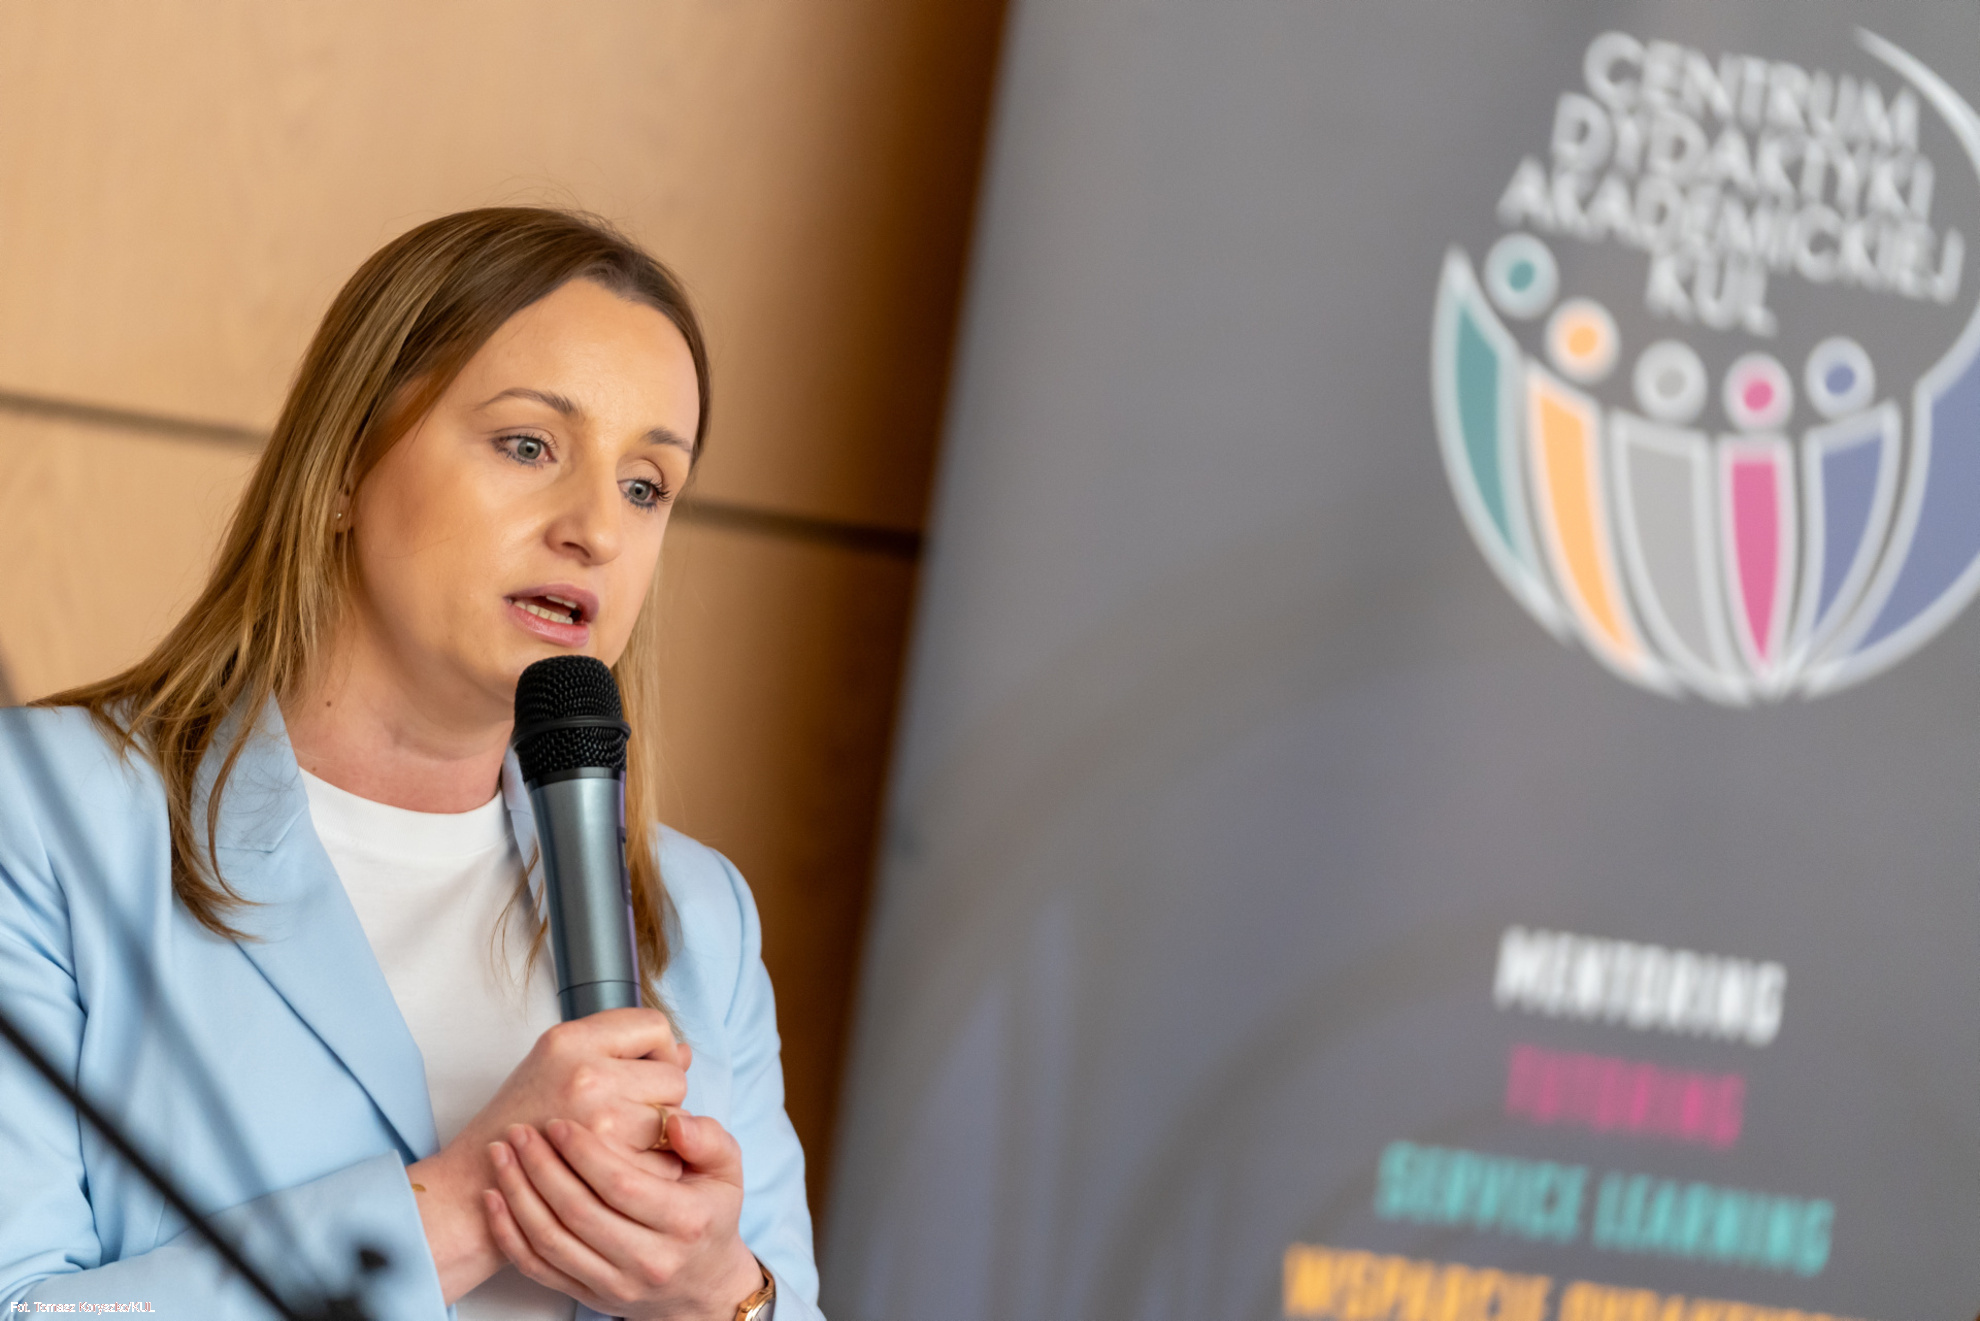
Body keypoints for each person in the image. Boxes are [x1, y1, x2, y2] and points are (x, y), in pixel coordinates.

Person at [0, 208, 818, 1321]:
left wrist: (723, 1294)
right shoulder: (45, 815)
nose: (597, 530)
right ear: (345, 462)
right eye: (529, 445)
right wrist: (471, 1200)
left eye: (646, 486)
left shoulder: (698, 914)